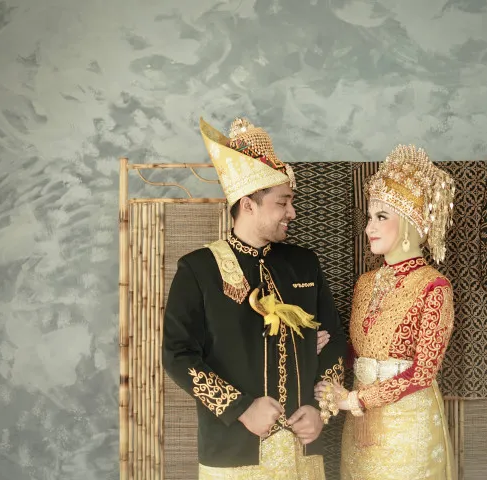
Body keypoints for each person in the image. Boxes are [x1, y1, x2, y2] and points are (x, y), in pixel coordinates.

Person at [163, 116, 347, 480]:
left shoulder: (304, 264)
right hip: (232, 452)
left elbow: (335, 340)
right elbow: (177, 354)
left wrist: (321, 409)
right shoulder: (199, 269)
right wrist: (240, 408)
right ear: (248, 204)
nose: (292, 213)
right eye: (283, 203)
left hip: (303, 450)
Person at [315, 144, 456, 480]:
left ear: (408, 222)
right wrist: (320, 349)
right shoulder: (365, 283)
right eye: (369, 218)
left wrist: (353, 400)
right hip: (360, 424)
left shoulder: (434, 287)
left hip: (407, 424)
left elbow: (422, 373)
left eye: (381, 217)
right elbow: (357, 352)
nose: (369, 228)